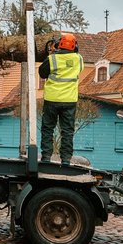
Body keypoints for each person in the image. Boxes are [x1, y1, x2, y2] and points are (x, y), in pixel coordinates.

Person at [39, 33, 84, 166]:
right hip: (69, 100)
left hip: (52, 99)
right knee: (67, 131)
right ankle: (66, 159)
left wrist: (52, 52)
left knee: (48, 128)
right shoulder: (79, 59)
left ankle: (46, 156)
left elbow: (42, 73)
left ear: (59, 44)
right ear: (75, 46)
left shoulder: (52, 59)